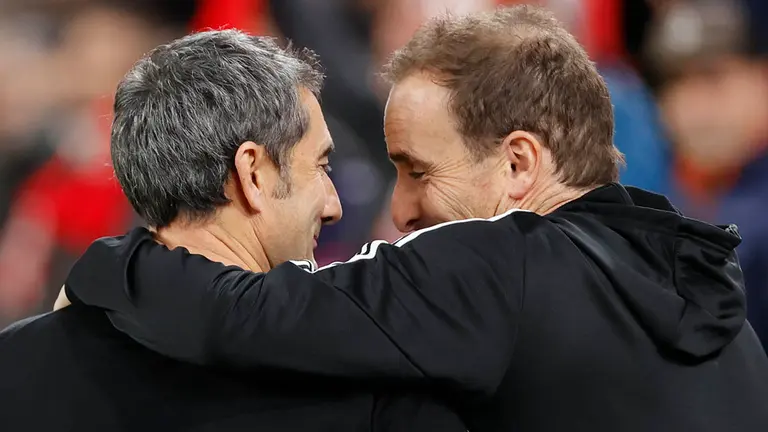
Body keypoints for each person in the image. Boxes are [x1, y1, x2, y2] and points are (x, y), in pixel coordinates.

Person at [61, 5, 768, 432]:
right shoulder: (727, 324)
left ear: (519, 164)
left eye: (418, 170)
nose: (399, 210)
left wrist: (110, 265)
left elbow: (247, 314)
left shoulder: (504, 265)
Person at [0, 30, 465, 432]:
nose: (334, 205)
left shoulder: (17, 364)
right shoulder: (362, 381)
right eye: (321, 166)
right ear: (253, 174)